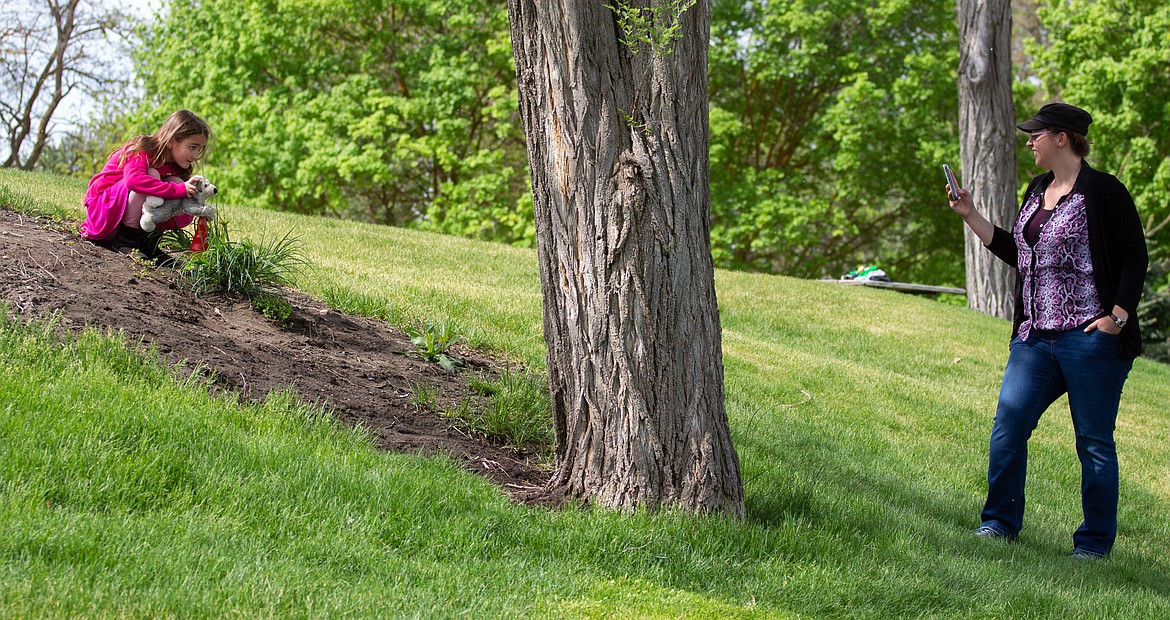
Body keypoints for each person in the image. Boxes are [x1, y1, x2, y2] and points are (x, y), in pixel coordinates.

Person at [947, 102, 1148, 559]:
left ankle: (1093, 545)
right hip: (1035, 338)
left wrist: (1116, 317)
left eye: (1037, 134)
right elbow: (1022, 254)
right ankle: (999, 523)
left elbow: (1136, 257)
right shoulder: (1037, 189)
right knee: (1008, 427)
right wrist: (971, 216)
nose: (1029, 140)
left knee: (1093, 441)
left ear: (1063, 138)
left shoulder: (1103, 192)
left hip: (1090, 338)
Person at [80, 109, 212, 262]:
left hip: (119, 220)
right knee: (153, 176)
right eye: (192, 147)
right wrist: (177, 190)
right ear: (172, 141)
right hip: (103, 217)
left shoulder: (175, 166)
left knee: (176, 182)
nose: (195, 156)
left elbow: (174, 192)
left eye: (199, 149)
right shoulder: (143, 150)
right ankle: (127, 242)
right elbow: (134, 181)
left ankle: (149, 244)